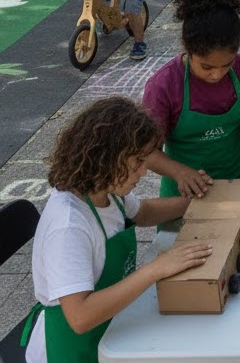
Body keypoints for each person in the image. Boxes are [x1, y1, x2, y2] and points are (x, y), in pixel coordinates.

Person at [23, 97, 213, 363]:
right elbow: (80, 317)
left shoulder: (105, 190)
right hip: (74, 348)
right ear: (106, 158)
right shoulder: (68, 227)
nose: (144, 172)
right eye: (137, 163)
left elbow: (143, 213)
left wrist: (198, 204)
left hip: (112, 327)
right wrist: (156, 269)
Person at [142, 0, 240, 217]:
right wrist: (179, 172)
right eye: (206, 67)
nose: (217, 74)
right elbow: (147, 152)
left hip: (239, 184)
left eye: (226, 64)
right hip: (184, 197)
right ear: (188, 48)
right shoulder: (163, 86)